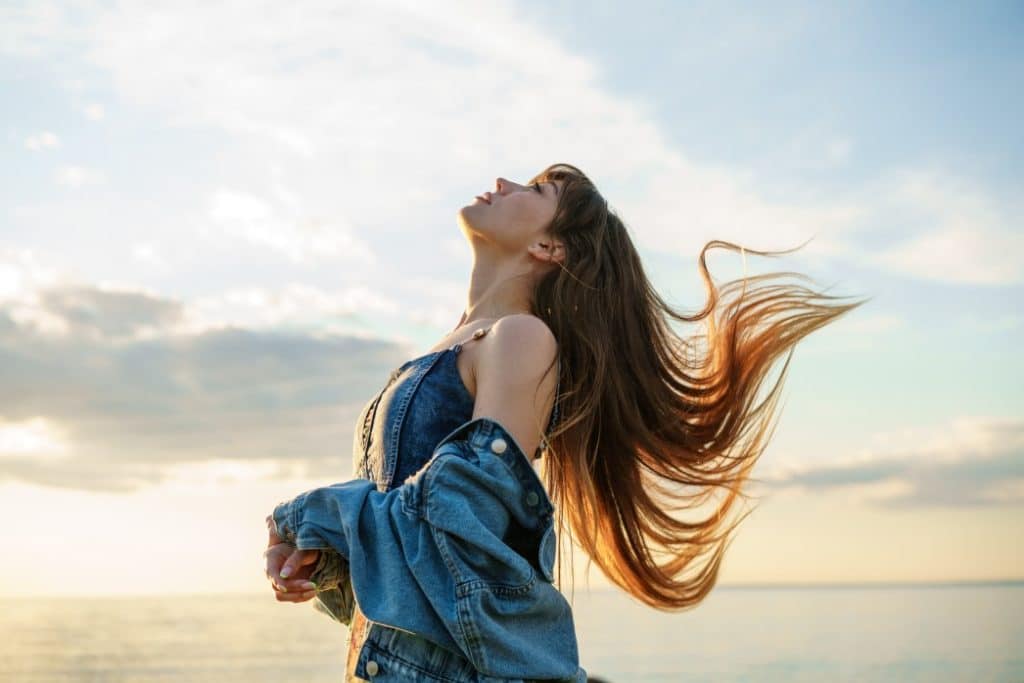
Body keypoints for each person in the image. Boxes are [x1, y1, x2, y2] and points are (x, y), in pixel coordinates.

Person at [262, 163, 867, 681]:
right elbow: (417, 574)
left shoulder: (521, 339)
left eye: (535, 188)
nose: (502, 181)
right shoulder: (454, 348)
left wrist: (318, 516)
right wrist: (319, 559)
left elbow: (462, 512)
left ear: (550, 249)